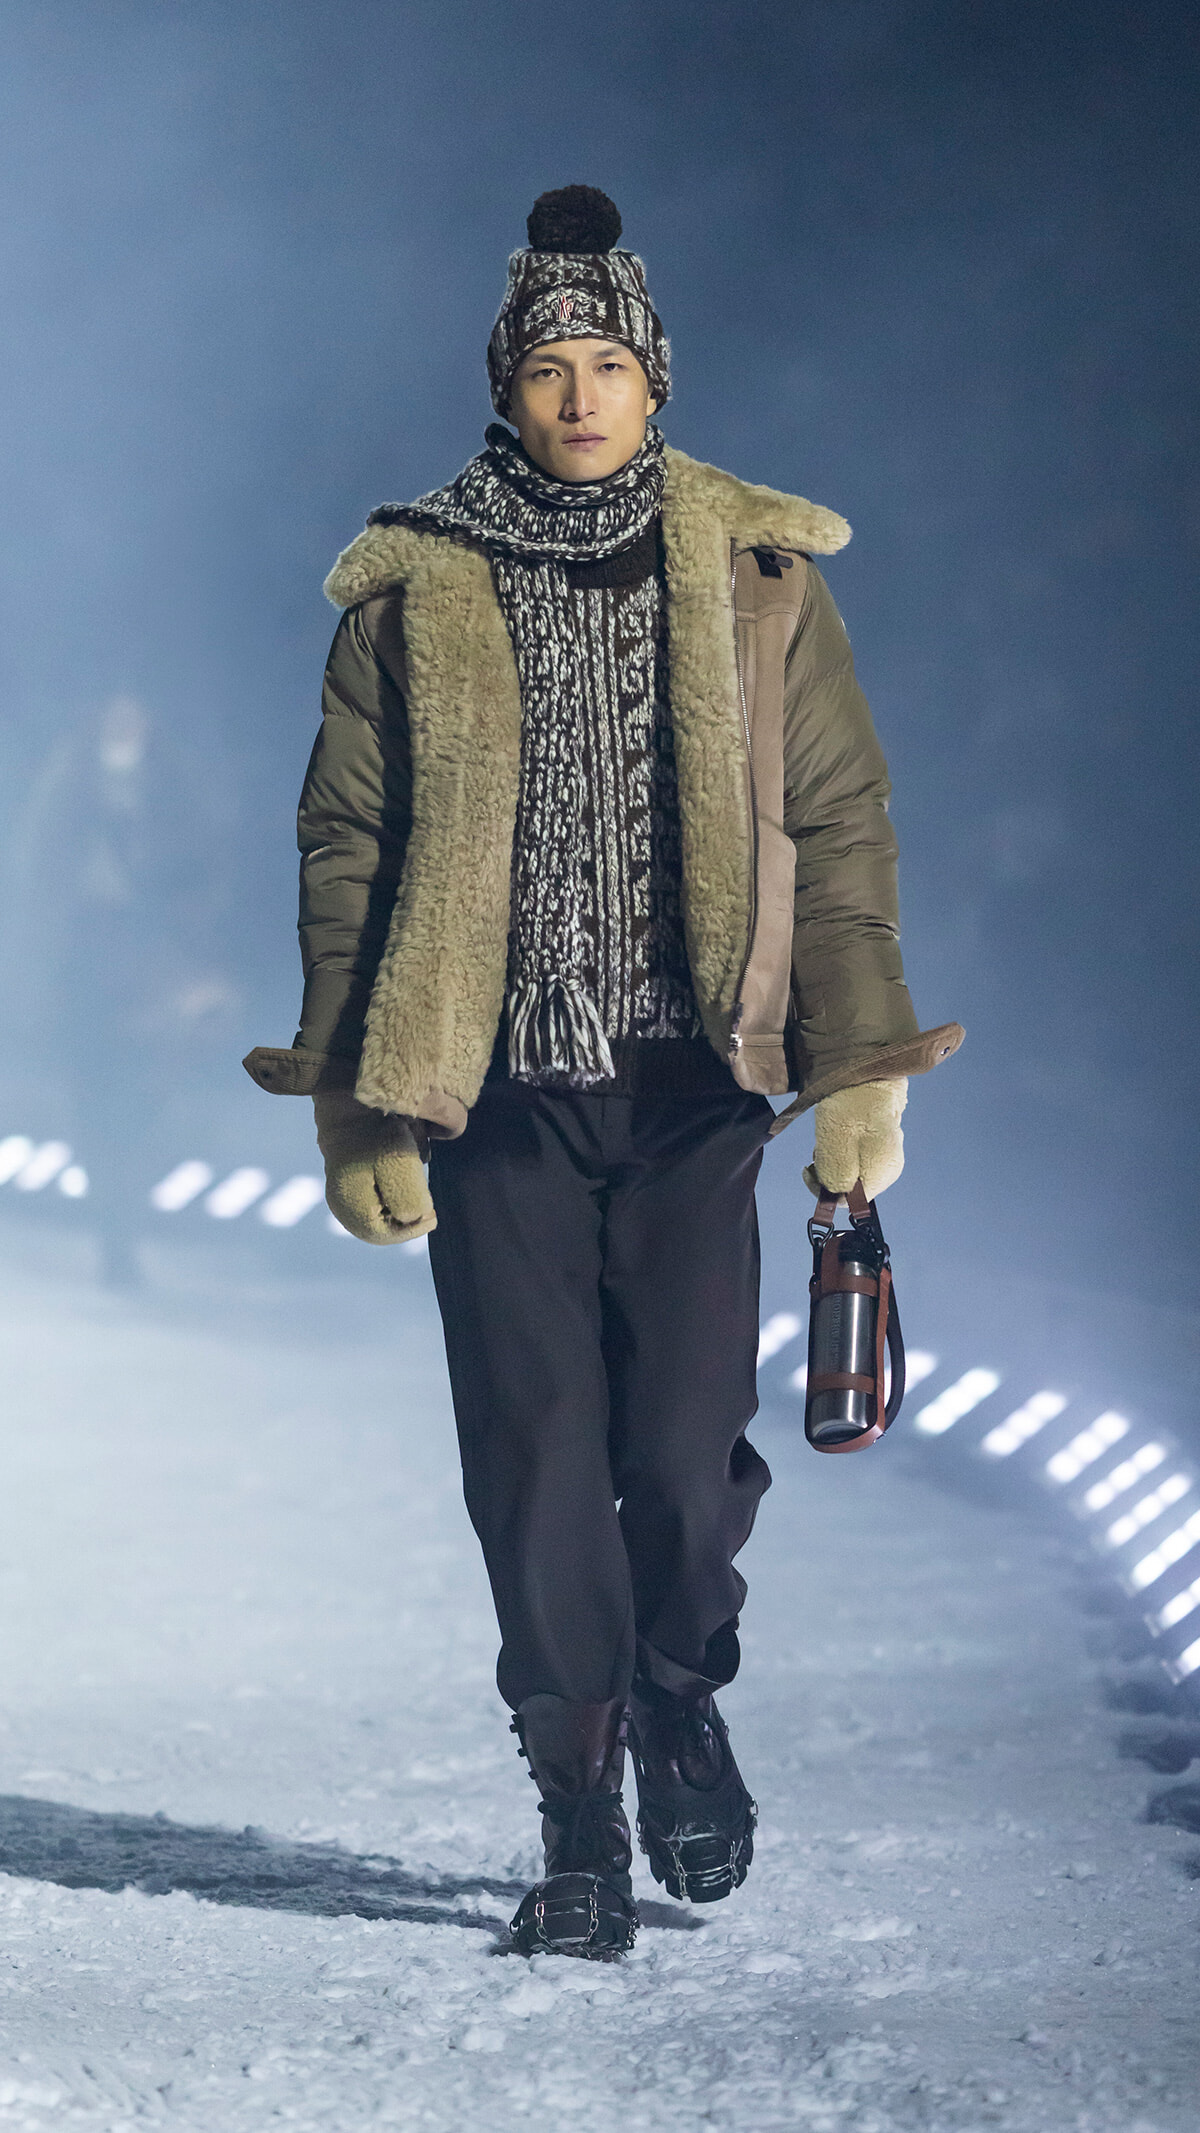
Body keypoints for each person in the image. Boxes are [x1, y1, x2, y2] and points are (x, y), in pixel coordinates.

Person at [246, 185, 961, 1959]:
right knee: (541, 1447)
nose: (581, 395)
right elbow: (352, 842)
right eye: (550, 365)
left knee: (680, 1441)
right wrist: (355, 1093)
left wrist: (860, 1067)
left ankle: (676, 1694)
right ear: (508, 383)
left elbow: (836, 831)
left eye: (609, 364)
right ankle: (575, 1805)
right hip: (489, 1087)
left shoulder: (759, 581)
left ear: (657, 381)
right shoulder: (414, 589)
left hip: (696, 1083)